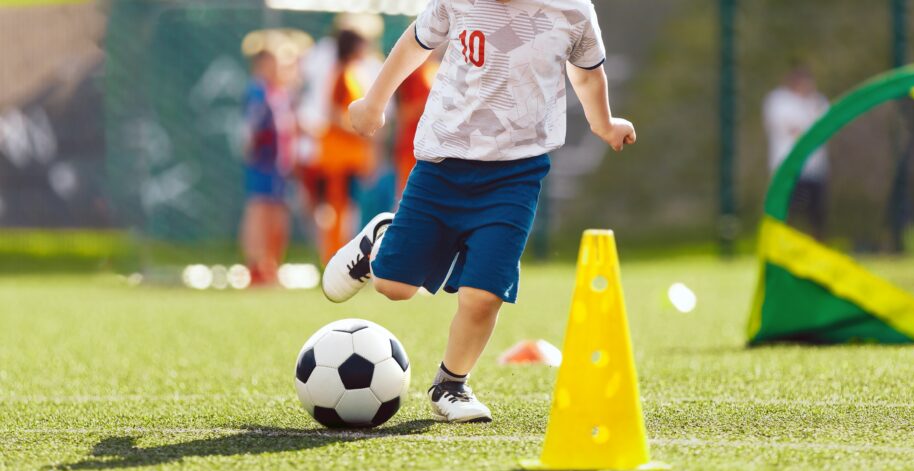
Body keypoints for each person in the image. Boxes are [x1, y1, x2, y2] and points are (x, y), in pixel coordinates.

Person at [320, 0, 635, 423]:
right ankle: (381, 239)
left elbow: (586, 69)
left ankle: (451, 384)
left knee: (484, 294)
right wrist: (376, 100)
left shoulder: (572, 9)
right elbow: (416, 41)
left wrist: (604, 123)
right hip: (442, 165)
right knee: (394, 286)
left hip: (516, 175)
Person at [303, 30, 375, 266]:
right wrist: (359, 128)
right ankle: (333, 259)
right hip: (338, 156)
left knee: (347, 210)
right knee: (337, 210)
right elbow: (333, 113)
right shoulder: (342, 74)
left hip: (349, 156)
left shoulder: (352, 73)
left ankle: (340, 257)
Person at [241, 50, 295, 286]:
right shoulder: (257, 90)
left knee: (277, 216)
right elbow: (249, 129)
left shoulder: (280, 93)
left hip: (280, 166)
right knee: (259, 211)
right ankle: (255, 267)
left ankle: (271, 266)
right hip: (263, 163)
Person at [763, 63, 830, 240]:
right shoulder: (779, 101)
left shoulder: (818, 101)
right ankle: (782, 245)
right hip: (786, 167)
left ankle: (817, 246)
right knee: (786, 211)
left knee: (816, 214)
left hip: (814, 169)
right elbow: (796, 130)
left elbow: (824, 128)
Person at [393, 59, 439, 201]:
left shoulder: (436, 69)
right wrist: (430, 103)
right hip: (411, 146)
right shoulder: (411, 72)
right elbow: (402, 112)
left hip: (434, 147)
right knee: (410, 198)